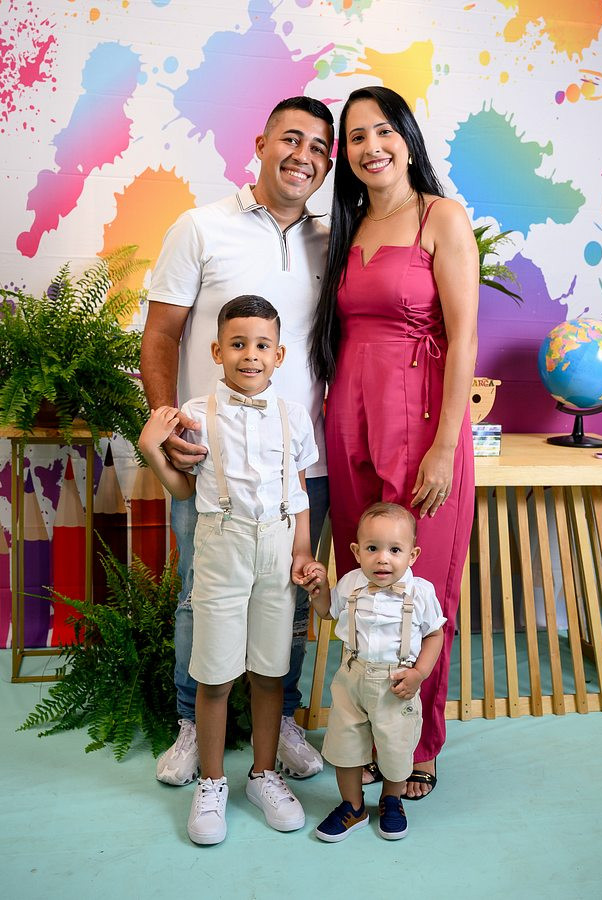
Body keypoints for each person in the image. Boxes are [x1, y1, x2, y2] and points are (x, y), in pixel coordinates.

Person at [141, 96, 334, 786]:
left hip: (299, 461)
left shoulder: (333, 242)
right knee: (202, 596)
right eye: (291, 139)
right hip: (211, 462)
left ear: (328, 164)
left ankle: (280, 723)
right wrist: (169, 426)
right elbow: (160, 336)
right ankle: (192, 724)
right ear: (260, 143)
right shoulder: (201, 227)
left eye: (318, 147)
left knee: (290, 596)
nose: (302, 156)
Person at [310, 86, 478, 799]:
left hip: (421, 421)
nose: (371, 146)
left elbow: (464, 337)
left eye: (383, 131)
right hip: (348, 416)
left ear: (407, 138)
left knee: (421, 587)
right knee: (364, 583)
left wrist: (445, 444)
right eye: (355, 137)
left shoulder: (442, 217)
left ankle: (419, 744)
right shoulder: (344, 227)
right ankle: (364, 732)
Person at [139, 295, 320, 844]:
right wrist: (152, 450)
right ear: (217, 351)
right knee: (215, 673)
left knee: (270, 671)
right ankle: (213, 782)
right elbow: (184, 490)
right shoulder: (195, 414)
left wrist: (303, 552)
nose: (250, 355)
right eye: (238, 344)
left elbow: (299, 492)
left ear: (279, 355)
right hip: (221, 548)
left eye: (262, 345)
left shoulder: (293, 416)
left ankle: (264, 775)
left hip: (278, 550)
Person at [300, 502, 445, 841]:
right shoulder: (351, 583)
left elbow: (435, 634)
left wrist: (419, 674)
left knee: (396, 746)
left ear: (412, 555)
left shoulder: (420, 592)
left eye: (395, 550)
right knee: (345, 744)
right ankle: (352, 806)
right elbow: (327, 612)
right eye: (372, 549)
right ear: (356, 551)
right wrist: (318, 592)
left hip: (397, 682)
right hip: (352, 678)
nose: (382, 559)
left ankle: (392, 800)